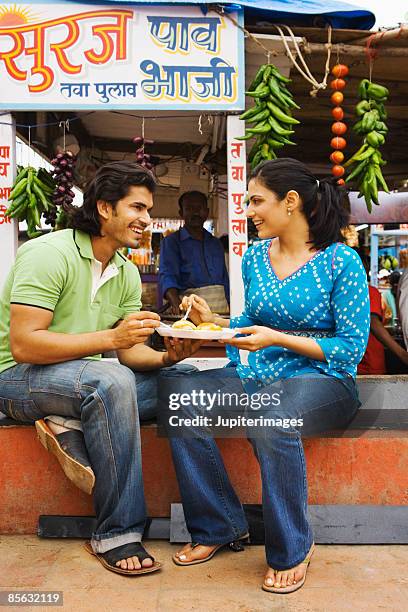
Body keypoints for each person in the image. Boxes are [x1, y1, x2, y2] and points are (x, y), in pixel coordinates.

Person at [157, 158, 370, 594]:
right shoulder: (255, 257)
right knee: (178, 390)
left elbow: (350, 348)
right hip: (257, 373)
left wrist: (280, 339)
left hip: (323, 378)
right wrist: (210, 320)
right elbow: (248, 324)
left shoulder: (340, 261)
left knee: (271, 417)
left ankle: (293, 547)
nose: (249, 210)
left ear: (290, 202)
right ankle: (218, 525)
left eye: (257, 201)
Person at [0, 161, 201, 576]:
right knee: (109, 381)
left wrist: (169, 357)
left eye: (148, 211)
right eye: (138, 208)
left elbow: (131, 356)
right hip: (14, 378)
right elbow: (24, 345)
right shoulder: (48, 253)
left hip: (81, 379)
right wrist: (112, 340)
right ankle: (117, 532)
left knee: (183, 381)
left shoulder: (126, 270)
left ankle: (67, 418)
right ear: (105, 208)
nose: (146, 220)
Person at [159, 190, 229, 315]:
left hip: (222, 313)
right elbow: (167, 276)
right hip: (190, 312)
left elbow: (225, 280)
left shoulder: (216, 244)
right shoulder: (171, 242)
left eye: (199, 208)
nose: (195, 212)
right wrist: (175, 303)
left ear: (207, 212)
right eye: (189, 208)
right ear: (181, 213)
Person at [357, 255, 408, 374]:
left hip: (356, 364)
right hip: (370, 364)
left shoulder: (339, 294)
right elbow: (373, 323)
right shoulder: (368, 291)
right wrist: (403, 355)